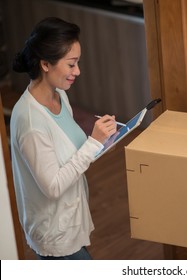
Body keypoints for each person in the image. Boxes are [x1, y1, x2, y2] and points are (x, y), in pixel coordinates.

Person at [10, 17, 118, 259]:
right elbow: (53, 186)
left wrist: (101, 143)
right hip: (54, 233)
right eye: (71, 64)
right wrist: (93, 143)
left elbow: (72, 154)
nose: (77, 71)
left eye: (77, 63)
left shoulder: (59, 96)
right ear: (46, 64)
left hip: (71, 222)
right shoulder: (30, 121)